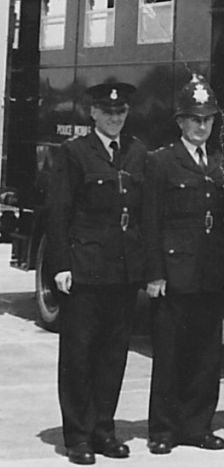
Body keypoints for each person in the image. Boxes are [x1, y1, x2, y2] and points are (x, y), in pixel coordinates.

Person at [48, 82, 145, 465]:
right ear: (93, 114)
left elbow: (142, 213)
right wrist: (60, 266)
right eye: (107, 111)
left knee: (112, 355)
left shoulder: (137, 153)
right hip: (86, 268)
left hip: (123, 270)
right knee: (79, 353)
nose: (114, 117)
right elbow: (58, 212)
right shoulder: (74, 153)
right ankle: (78, 436)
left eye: (120, 112)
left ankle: (105, 430)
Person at [144, 73, 224, 454]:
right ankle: (163, 430)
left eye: (208, 119)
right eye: (195, 118)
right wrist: (155, 273)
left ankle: (197, 426)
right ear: (180, 121)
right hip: (174, 274)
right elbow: (150, 222)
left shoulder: (221, 162)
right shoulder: (162, 162)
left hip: (210, 273)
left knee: (206, 354)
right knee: (170, 355)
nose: (201, 126)